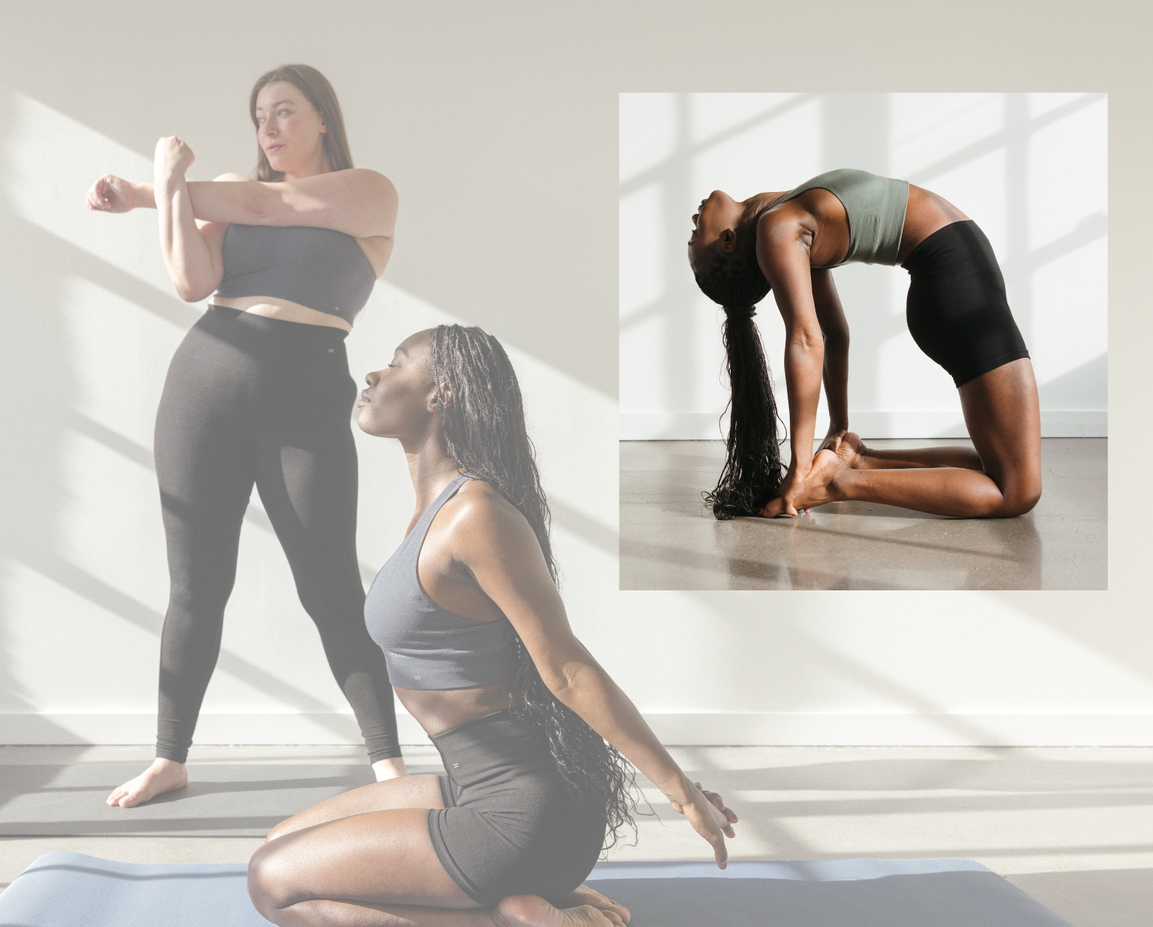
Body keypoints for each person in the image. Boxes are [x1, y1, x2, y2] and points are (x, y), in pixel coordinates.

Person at [245, 325, 737, 927]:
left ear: (440, 395)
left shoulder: (474, 514)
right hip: (477, 786)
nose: (371, 376)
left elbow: (568, 669)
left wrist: (681, 789)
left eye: (396, 363)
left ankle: (511, 918)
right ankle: (528, 895)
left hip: (521, 814)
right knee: (278, 844)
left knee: (272, 885)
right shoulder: (439, 509)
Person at [84, 64, 406, 807]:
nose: (268, 127)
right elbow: (191, 282)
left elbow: (276, 202)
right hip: (203, 387)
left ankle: (389, 763)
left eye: (285, 111)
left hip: (305, 393)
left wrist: (146, 188)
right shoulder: (227, 193)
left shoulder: (367, 190)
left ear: (323, 117)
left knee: (329, 585)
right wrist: (166, 193)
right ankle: (170, 757)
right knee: (196, 587)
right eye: (260, 114)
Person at [688, 168, 1042, 521]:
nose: (693, 219)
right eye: (694, 237)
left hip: (956, 282)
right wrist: (799, 469)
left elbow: (835, 333)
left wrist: (838, 429)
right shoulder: (777, 228)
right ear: (728, 241)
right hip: (956, 286)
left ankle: (855, 459)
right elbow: (807, 339)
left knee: (1001, 465)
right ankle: (835, 482)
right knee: (1017, 490)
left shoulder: (782, 218)